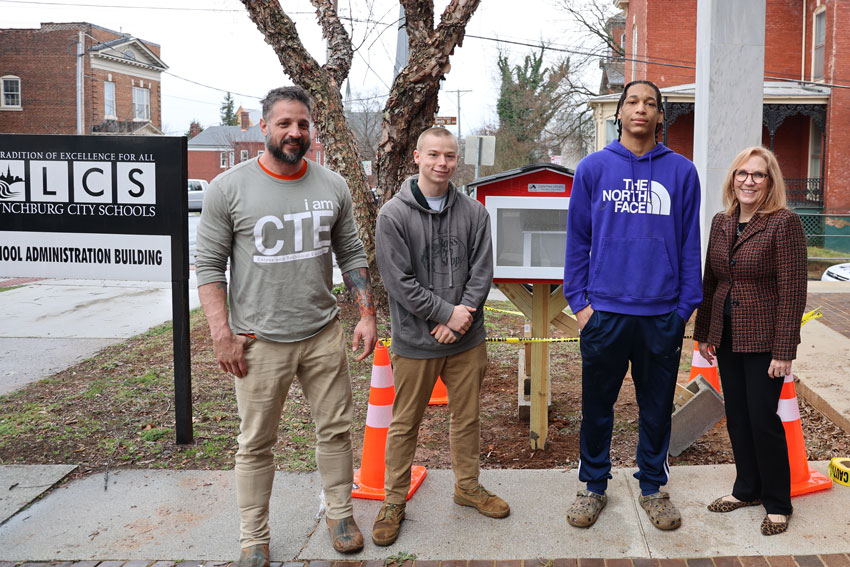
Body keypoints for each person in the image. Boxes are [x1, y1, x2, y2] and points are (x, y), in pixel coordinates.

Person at [195, 86, 377, 566]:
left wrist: (366, 314)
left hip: (321, 334)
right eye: (284, 124)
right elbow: (209, 266)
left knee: (336, 432)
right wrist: (221, 332)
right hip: (257, 342)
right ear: (264, 128)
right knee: (255, 444)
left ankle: (340, 515)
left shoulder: (332, 185)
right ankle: (253, 538)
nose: (295, 132)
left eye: (302, 124)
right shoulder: (228, 188)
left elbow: (352, 254)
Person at [562, 80, 702, 530]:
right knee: (597, 405)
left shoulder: (682, 172)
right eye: (632, 102)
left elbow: (687, 244)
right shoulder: (592, 169)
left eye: (650, 104)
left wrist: (684, 307)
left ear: (660, 116)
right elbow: (577, 240)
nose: (641, 110)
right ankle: (593, 486)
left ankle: (653, 488)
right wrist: (580, 304)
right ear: (619, 112)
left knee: (657, 407)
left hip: (661, 315)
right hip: (604, 313)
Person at [372, 126, 508, 546]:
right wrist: (445, 314)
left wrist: (460, 318)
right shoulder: (393, 215)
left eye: (449, 156)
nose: (442, 163)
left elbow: (481, 272)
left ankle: (467, 487)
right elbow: (398, 281)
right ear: (417, 157)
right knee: (405, 423)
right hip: (416, 340)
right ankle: (393, 501)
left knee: (466, 418)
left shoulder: (474, 213)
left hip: (467, 340)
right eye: (433, 155)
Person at [694, 146, 806, 536]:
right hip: (725, 336)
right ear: (732, 179)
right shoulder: (721, 223)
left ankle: (778, 502)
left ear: (770, 182)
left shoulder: (784, 223)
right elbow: (712, 281)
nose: (749, 181)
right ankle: (747, 489)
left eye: (758, 175)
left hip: (764, 340)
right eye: (742, 173)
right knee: (738, 419)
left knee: (763, 421)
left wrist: (784, 351)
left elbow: (793, 291)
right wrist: (704, 332)